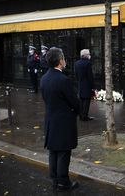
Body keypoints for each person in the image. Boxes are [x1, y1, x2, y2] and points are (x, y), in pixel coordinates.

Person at [40, 47, 80, 191]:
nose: (64, 61)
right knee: (63, 152)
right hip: (63, 121)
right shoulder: (63, 80)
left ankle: (55, 179)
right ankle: (63, 181)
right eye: (63, 58)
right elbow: (74, 102)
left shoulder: (44, 78)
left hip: (50, 119)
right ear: (60, 61)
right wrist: (77, 111)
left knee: (53, 151)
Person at [74, 49, 95, 121]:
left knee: (81, 100)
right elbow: (90, 76)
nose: (89, 55)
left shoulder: (76, 63)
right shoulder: (88, 63)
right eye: (89, 54)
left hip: (80, 83)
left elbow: (76, 74)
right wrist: (93, 86)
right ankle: (85, 116)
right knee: (86, 100)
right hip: (87, 84)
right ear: (86, 55)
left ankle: (81, 115)